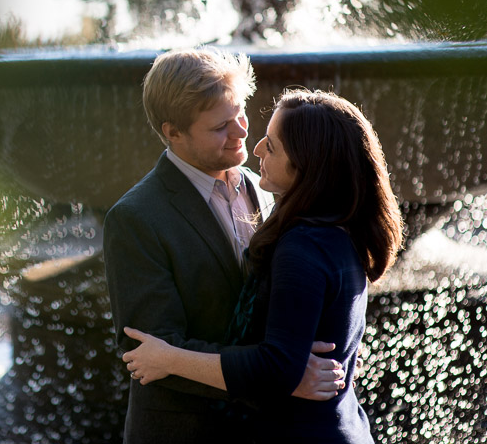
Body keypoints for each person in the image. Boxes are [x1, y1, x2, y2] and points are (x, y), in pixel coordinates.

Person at [121, 88, 404, 443]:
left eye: (270, 146)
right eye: (221, 125)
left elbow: (275, 369)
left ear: (304, 164)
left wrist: (169, 359)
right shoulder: (339, 228)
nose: (253, 147)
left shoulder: (302, 245)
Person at [103, 51, 347, 444]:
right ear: (174, 132)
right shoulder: (133, 219)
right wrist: (278, 376)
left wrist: (287, 360)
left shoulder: (266, 187)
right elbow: (151, 348)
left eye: (240, 114)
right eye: (220, 126)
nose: (241, 133)